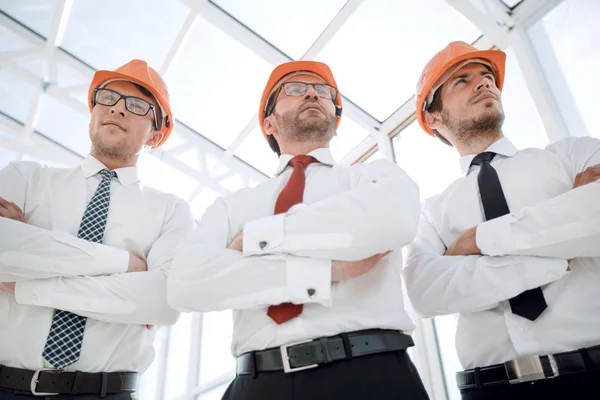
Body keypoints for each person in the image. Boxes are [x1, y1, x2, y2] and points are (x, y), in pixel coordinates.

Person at [167, 60, 429, 400]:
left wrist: (257, 238)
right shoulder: (229, 207)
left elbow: (394, 220)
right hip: (257, 384)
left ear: (335, 119)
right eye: (294, 88)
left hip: (373, 374)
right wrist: (325, 272)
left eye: (323, 91)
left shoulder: (373, 177)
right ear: (269, 122)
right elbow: (186, 285)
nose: (311, 93)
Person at [402, 41, 600, 400]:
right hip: (491, 389)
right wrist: (560, 251)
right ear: (433, 118)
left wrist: (477, 241)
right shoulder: (430, 211)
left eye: (487, 76)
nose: (484, 83)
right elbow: (425, 291)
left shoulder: (572, 155)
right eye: (461, 80)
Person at [0, 59, 195, 399]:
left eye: (136, 105)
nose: (118, 110)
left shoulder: (170, 210)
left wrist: (24, 279)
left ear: (157, 132)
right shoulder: (26, 178)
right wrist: (125, 265)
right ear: (92, 111)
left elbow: (163, 303)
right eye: (108, 98)